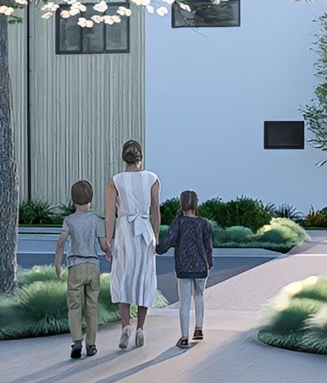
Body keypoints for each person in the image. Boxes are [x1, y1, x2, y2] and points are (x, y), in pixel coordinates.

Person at [103, 140, 161, 350]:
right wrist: (156, 237)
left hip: (125, 232)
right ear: (141, 158)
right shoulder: (152, 179)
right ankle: (141, 328)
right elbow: (155, 211)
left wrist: (108, 241)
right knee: (144, 278)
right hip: (144, 233)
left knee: (123, 277)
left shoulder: (114, 181)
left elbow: (109, 215)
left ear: (123, 158)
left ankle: (126, 325)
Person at [155, 189, 213, 350]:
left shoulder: (178, 223)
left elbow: (166, 244)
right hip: (202, 267)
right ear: (196, 203)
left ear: (181, 204)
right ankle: (199, 329)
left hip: (183, 268)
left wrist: (154, 245)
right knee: (200, 296)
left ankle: (184, 337)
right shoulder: (204, 223)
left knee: (185, 302)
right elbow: (209, 248)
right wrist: (209, 264)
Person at [53, 178, 105, 359]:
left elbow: (61, 243)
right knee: (92, 307)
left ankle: (76, 342)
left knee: (74, 306)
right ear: (91, 199)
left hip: (75, 266)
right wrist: (108, 250)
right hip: (93, 266)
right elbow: (104, 244)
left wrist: (57, 264)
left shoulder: (69, 220)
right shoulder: (97, 220)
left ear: (73, 200)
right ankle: (91, 345)